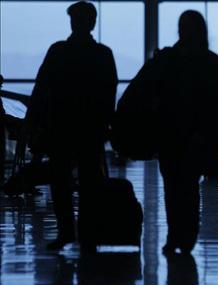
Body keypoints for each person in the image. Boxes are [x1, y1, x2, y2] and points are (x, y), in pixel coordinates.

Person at [26, 1, 118, 250]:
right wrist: (107, 125)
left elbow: (41, 88)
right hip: (90, 128)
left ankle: (67, 231)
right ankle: (88, 234)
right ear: (93, 22)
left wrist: (32, 122)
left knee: (60, 181)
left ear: (73, 22)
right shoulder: (102, 54)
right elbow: (109, 93)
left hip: (61, 126)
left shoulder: (58, 51)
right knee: (89, 182)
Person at [153, 10, 218, 254]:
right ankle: (186, 236)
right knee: (188, 188)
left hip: (170, 134)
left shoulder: (169, 59)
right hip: (196, 137)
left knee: (172, 188)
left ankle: (175, 235)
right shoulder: (211, 62)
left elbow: (156, 94)